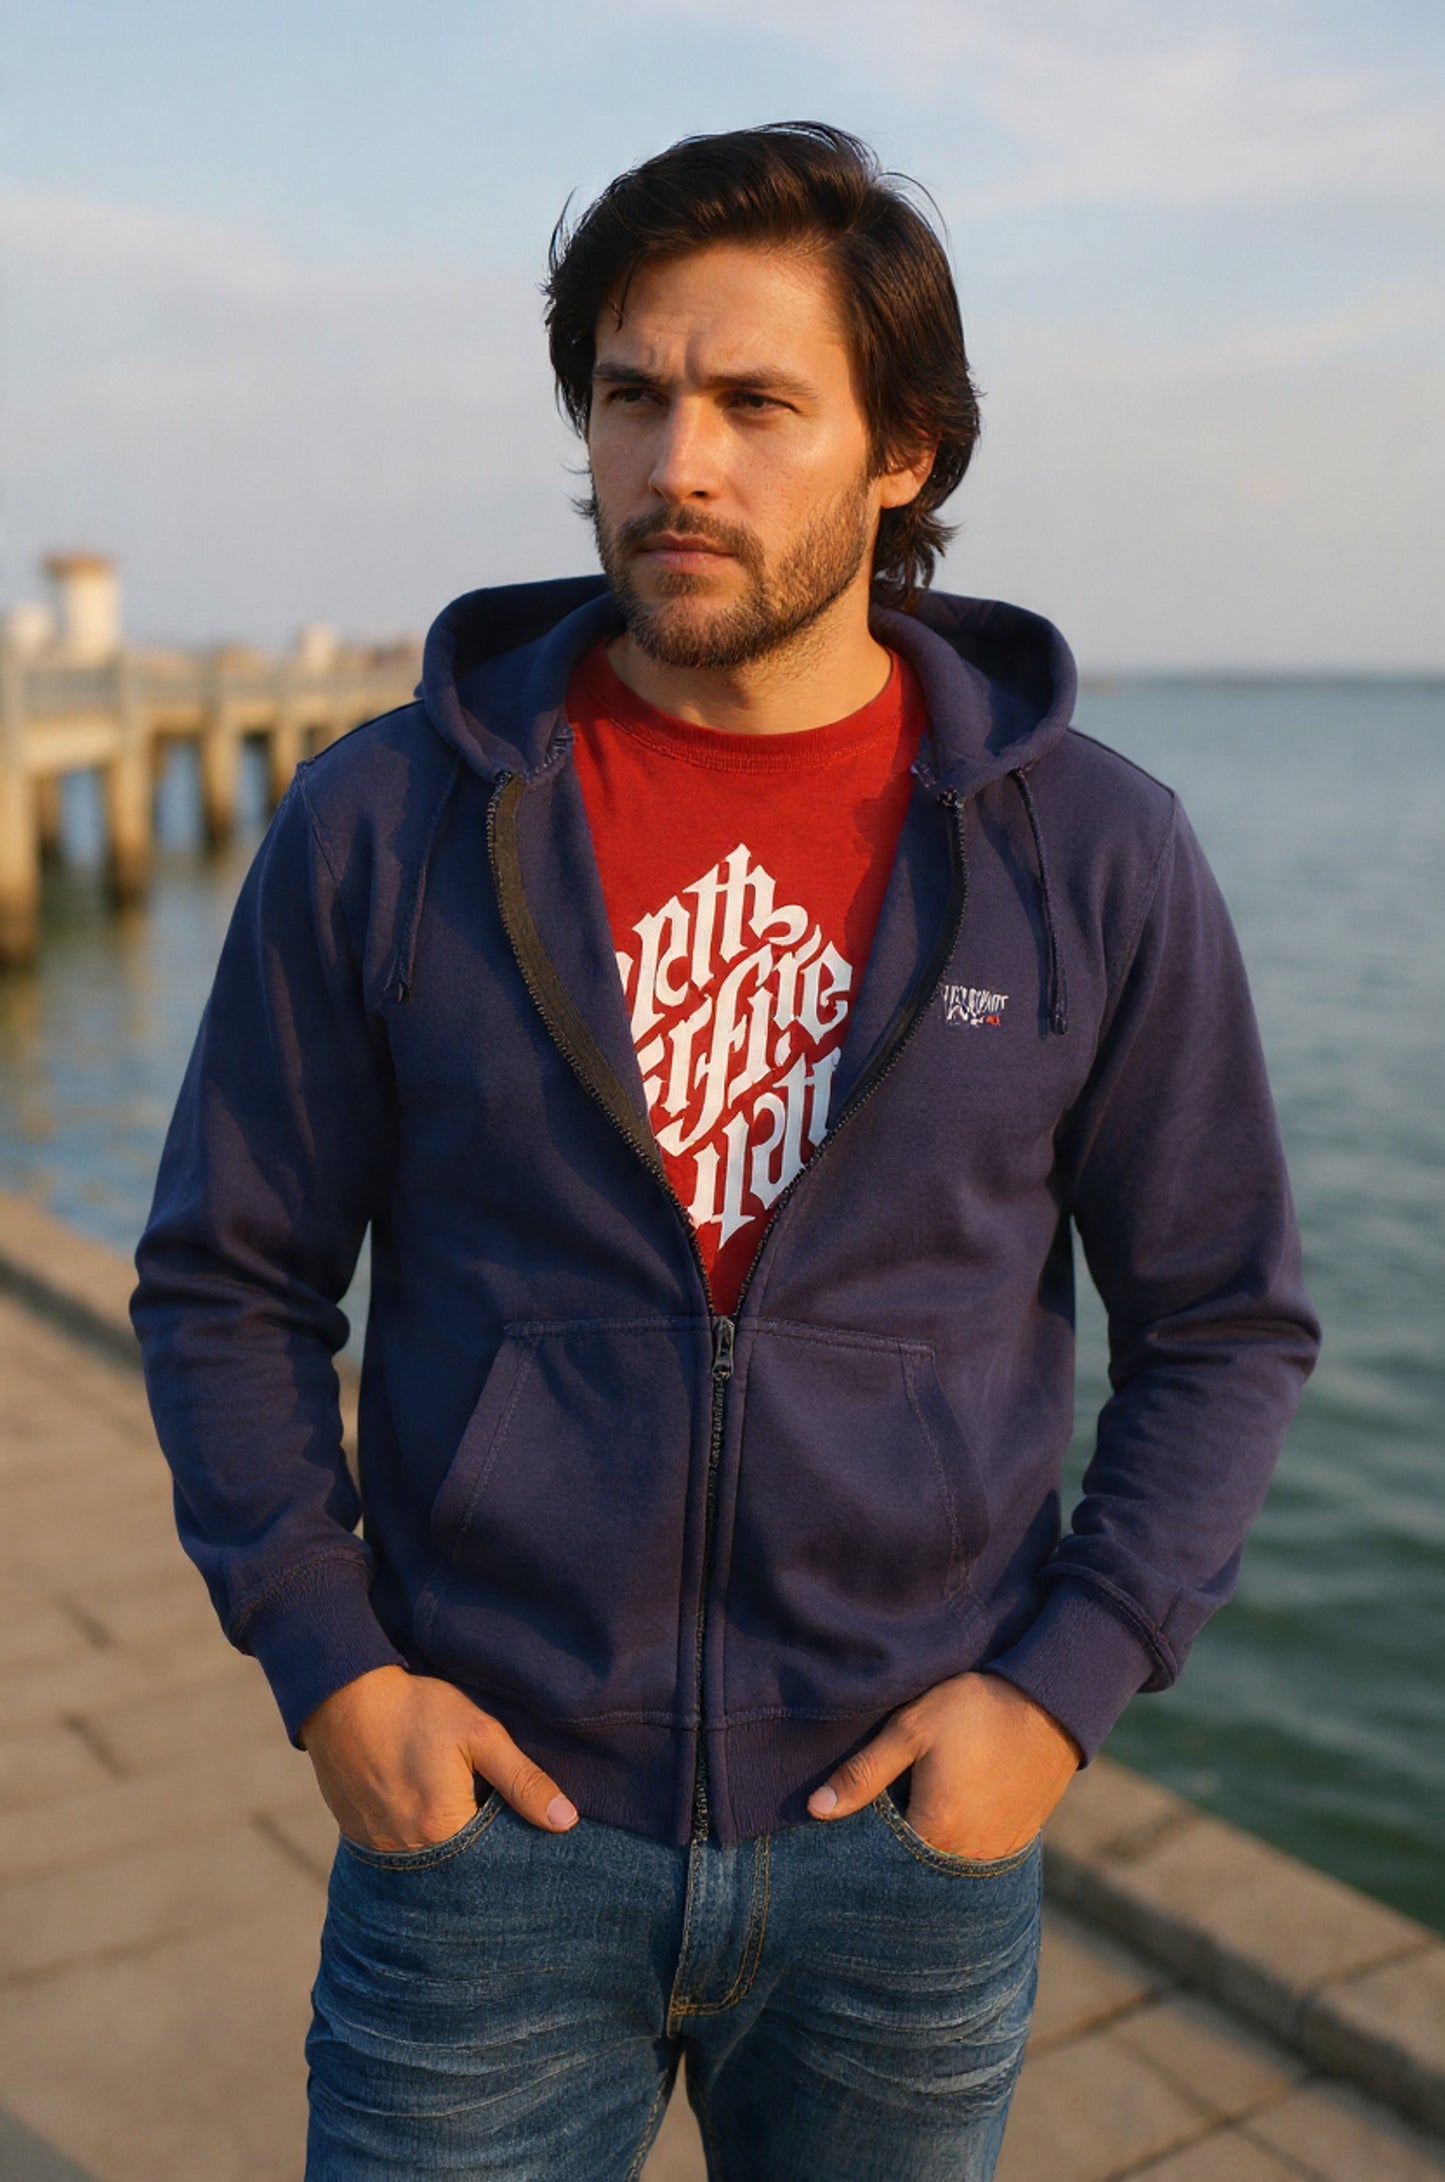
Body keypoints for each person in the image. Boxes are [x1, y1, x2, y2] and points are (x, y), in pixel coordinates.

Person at [129, 122, 1320, 2181]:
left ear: (903, 452)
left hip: (903, 1845)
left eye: (757, 403)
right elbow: (227, 1276)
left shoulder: (1088, 850)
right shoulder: (387, 821)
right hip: (488, 1830)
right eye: (630, 394)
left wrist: (1055, 1694)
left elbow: (1221, 1318)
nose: (674, 462)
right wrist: (334, 1668)